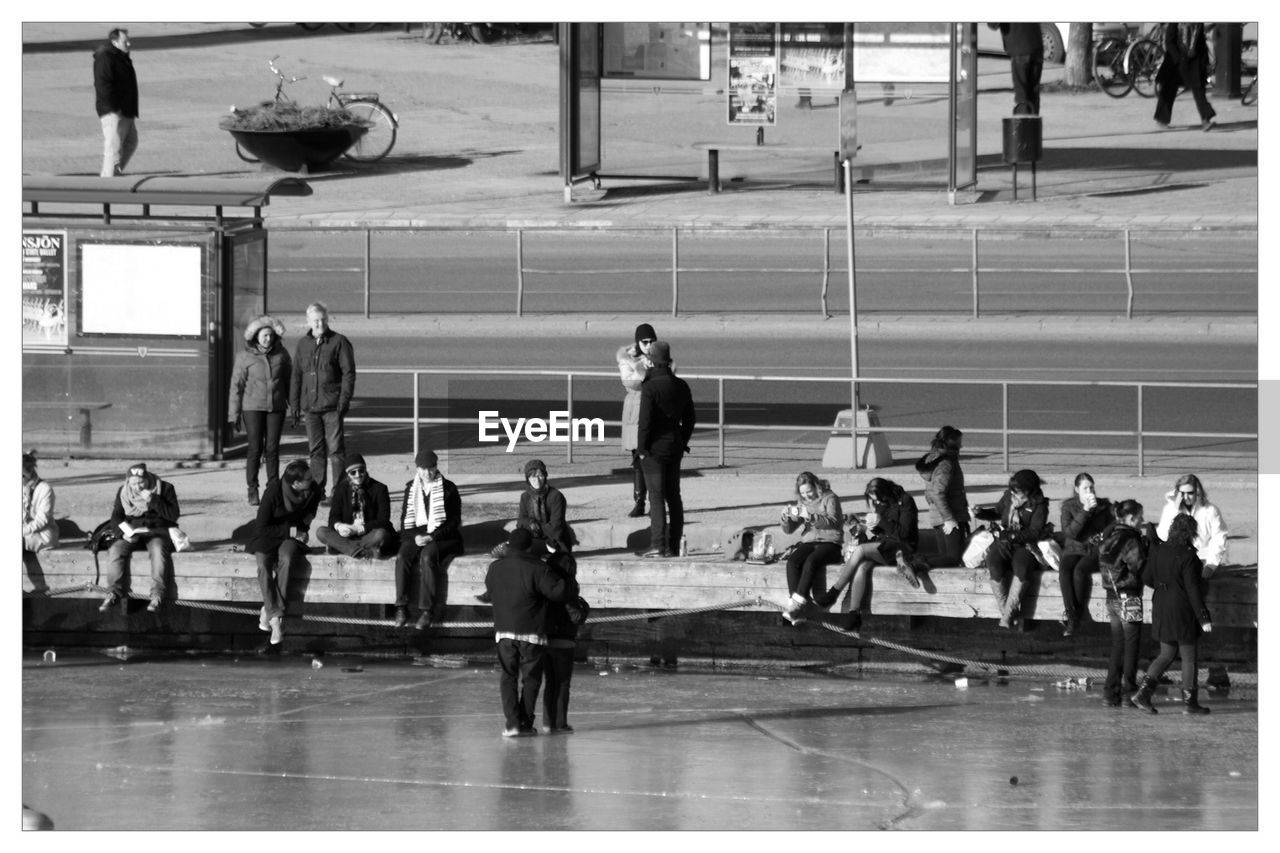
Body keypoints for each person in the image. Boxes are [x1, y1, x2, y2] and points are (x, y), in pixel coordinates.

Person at [484, 528, 578, 737]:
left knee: (508, 677)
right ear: (528, 546)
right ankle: (525, 723)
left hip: (504, 632)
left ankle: (512, 724)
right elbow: (558, 592)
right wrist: (571, 581)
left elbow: (490, 592)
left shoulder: (495, 568)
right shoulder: (538, 568)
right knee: (531, 680)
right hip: (531, 632)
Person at [1131, 514, 1214, 715]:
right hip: (1182, 611)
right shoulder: (1189, 557)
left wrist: (1165, 585)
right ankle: (1190, 703)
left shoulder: (1158, 550)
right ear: (1190, 533)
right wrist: (1203, 617)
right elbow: (1193, 590)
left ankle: (1142, 694)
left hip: (1161, 606)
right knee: (1188, 657)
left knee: (1166, 654)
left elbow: (1147, 577)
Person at [813, 477, 920, 631]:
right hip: (884, 546)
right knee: (862, 567)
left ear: (886, 493)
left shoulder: (906, 500)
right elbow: (883, 530)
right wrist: (872, 526)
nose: (878, 503)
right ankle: (854, 614)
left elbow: (903, 534)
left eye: (879, 500)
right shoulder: (880, 503)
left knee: (861, 550)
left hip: (902, 548)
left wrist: (881, 521)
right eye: (874, 501)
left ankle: (833, 592)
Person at [248, 459, 321, 646]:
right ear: (295, 483)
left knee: (287, 559)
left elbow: (307, 518)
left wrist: (300, 532)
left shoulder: (314, 491)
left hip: (291, 539)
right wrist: (291, 530)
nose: (312, 480)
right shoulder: (273, 491)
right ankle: (276, 619)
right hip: (268, 536)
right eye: (307, 479)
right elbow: (261, 528)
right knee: (263, 565)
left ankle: (270, 611)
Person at [289, 302, 356, 503]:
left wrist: (344, 400)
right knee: (315, 451)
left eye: (323, 319)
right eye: (315, 320)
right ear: (308, 321)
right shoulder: (303, 344)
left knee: (336, 451)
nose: (319, 323)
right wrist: (294, 404)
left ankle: (339, 491)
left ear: (327, 320)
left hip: (332, 406)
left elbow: (348, 373)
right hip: (310, 407)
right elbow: (296, 375)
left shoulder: (339, 342)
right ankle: (318, 490)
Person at [636, 340, 696, 558]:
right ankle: (674, 543)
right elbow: (690, 419)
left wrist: (641, 449)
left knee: (656, 497)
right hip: (674, 447)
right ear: (668, 361)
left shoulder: (650, 387)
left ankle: (659, 545)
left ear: (652, 361)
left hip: (653, 450)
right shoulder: (681, 385)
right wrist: (682, 440)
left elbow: (645, 422)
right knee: (674, 496)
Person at [394, 449, 464, 630]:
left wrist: (433, 536)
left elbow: (454, 521)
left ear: (436, 467)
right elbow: (405, 522)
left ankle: (427, 611)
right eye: (424, 469)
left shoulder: (449, 488)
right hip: (417, 535)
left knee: (427, 556)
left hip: (442, 536)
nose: (428, 473)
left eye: (431, 468)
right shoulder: (411, 488)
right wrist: (415, 537)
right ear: (417, 469)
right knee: (402, 556)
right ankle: (401, 607)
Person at [228, 315, 291, 506]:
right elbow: (236, 386)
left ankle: (273, 489)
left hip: (276, 408)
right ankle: (252, 489)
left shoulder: (282, 354)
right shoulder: (245, 357)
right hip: (252, 407)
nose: (268, 339)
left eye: (271, 335)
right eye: (264, 335)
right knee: (255, 448)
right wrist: (234, 414)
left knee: (272, 449)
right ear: (256, 336)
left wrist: (294, 406)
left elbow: (289, 382)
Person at [101, 462, 180, 614]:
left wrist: (154, 500)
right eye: (133, 484)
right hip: (134, 532)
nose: (137, 487)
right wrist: (122, 533)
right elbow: (116, 517)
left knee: (158, 550)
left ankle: (157, 594)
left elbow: (173, 515)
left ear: (148, 479)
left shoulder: (165, 488)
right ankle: (113, 592)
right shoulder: (123, 492)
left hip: (157, 531)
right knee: (116, 549)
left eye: (140, 483)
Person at [1097, 500, 1151, 708]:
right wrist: (1147, 548)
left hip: (1111, 597)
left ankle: (1110, 693)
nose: (1142, 521)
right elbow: (1137, 566)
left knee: (1117, 645)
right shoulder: (1131, 540)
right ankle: (1130, 692)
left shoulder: (1108, 535)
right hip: (1130, 597)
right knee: (1131, 645)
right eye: (1139, 517)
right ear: (1130, 519)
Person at [984, 469, 1049, 629]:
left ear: (1029, 490)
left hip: (1025, 544)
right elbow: (997, 512)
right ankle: (1007, 614)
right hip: (1004, 541)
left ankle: (1007, 616)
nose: (1014, 493)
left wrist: (1013, 536)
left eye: (1018, 491)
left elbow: (1035, 532)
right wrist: (980, 513)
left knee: (1021, 568)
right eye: (1013, 489)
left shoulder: (1039, 504)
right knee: (993, 563)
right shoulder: (1008, 496)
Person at [778, 472, 844, 625]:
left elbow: (833, 521)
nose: (806, 495)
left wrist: (811, 516)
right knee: (793, 562)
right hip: (809, 541)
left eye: (809, 491)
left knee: (811, 561)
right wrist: (785, 518)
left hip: (830, 542)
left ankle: (797, 605)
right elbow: (789, 529)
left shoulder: (830, 498)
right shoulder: (802, 502)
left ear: (816, 486)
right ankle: (796, 607)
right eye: (802, 493)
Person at [1058, 472, 1113, 638]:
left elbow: (1110, 528)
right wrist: (1085, 511)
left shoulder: (1104, 506)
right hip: (1074, 548)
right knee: (1065, 570)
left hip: (1094, 549)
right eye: (1085, 488)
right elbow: (1070, 533)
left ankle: (1075, 618)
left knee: (1080, 571)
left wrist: (1101, 537)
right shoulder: (1069, 507)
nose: (1090, 491)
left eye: (1091, 487)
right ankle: (1071, 613)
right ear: (1077, 490)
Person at [541, 558, 590, 734]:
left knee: (550, 683)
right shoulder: (568, 588)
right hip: (564, 643)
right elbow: (577, 617)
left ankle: (548, 722)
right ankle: (560, 723)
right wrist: (583, 605)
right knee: (562, 684)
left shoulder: (547, 587)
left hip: (546, 641)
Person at [315, 453, 395, 559]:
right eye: (353, 472)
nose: (358, 475)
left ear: (365, 470)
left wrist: (360, 529)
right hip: (348, 535)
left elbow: (384, 520)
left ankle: (344, 548)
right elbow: (333, 517)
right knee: (321, 532)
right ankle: (361, 551)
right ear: (348, 474)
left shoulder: (379, 489)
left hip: (369, 534)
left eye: (361, 471)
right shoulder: (341, 489)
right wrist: (339, 526)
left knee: (381, 534)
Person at [617, 323, 657, 518]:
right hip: (636, 411)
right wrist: (645, 370)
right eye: (645, 342)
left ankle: (655, 504)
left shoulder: (661, 357)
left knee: (654, 460)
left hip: (655, 412)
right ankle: (639, 502)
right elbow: (630, 382)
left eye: (651, 341)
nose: (648, 345)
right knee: (638, 460)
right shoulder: (628, 358)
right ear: (638, 341)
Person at [915, 425, 969, 568]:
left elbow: (930, 491)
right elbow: (937, 492)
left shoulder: (932, 459)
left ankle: (915, 564)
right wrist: (949, 519)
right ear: (951, 443)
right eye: (959, 442)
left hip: (937, 515)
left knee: (945, 559)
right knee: (953, 558)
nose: (961, 446)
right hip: (950, 515)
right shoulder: (946, 464)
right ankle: (914, 564)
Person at [1155, 473, 1229, 577]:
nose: (1186, 497)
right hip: (1177, 561)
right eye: (1182, 493)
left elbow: (1219, 538)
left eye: (1190, 493)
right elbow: (1163, 536)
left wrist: (1211, 566)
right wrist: (1175, 510)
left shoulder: (1210, 510)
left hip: (1202, 560)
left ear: (1198, 492)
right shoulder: (1170, 509)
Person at [1154, 23, 1217, 131]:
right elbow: (1169, 41)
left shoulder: (1197, 24)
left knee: (1199, 90)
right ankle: (1162, 119)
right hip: (1176, 62)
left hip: (1194, 60)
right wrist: (1178, 59)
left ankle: (1205, 120)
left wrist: (1204, 61)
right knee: (1168, 89)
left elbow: (1200, 41)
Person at [93, 27, 138, 177]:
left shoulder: (121, 56)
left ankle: (113, 174)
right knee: (113, 149)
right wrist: (114, 109)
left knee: (131, 142)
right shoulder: (106, 58)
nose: (129, 44)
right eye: (125, 41)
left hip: (126, 110)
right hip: (114, 111)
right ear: (115, 42)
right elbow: (103, 85)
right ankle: (108, 181)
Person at [516, 458, 574, 562]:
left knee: (523, 551)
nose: (537, 481)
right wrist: (530, 522)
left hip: (554, 541)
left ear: (545, 476)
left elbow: (556, 527)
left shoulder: (556, 496)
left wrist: (536, 528)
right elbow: (520, 522)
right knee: (517, 538)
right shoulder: (525, 497)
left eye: (540, 476)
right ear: (527, 479)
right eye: (533, 477)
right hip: (534, 539)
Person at [990, 23, 1044, 115]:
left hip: (1019, 47)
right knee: (1033, 95)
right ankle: (1033, 127)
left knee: (1021, 97)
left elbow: (992, 24)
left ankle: (1022, 127)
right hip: (1036, 45)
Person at [23, 452, 59, 586]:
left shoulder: (45, 489)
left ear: (28, 473)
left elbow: (41, 521)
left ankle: (40, 587)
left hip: (41, 535)